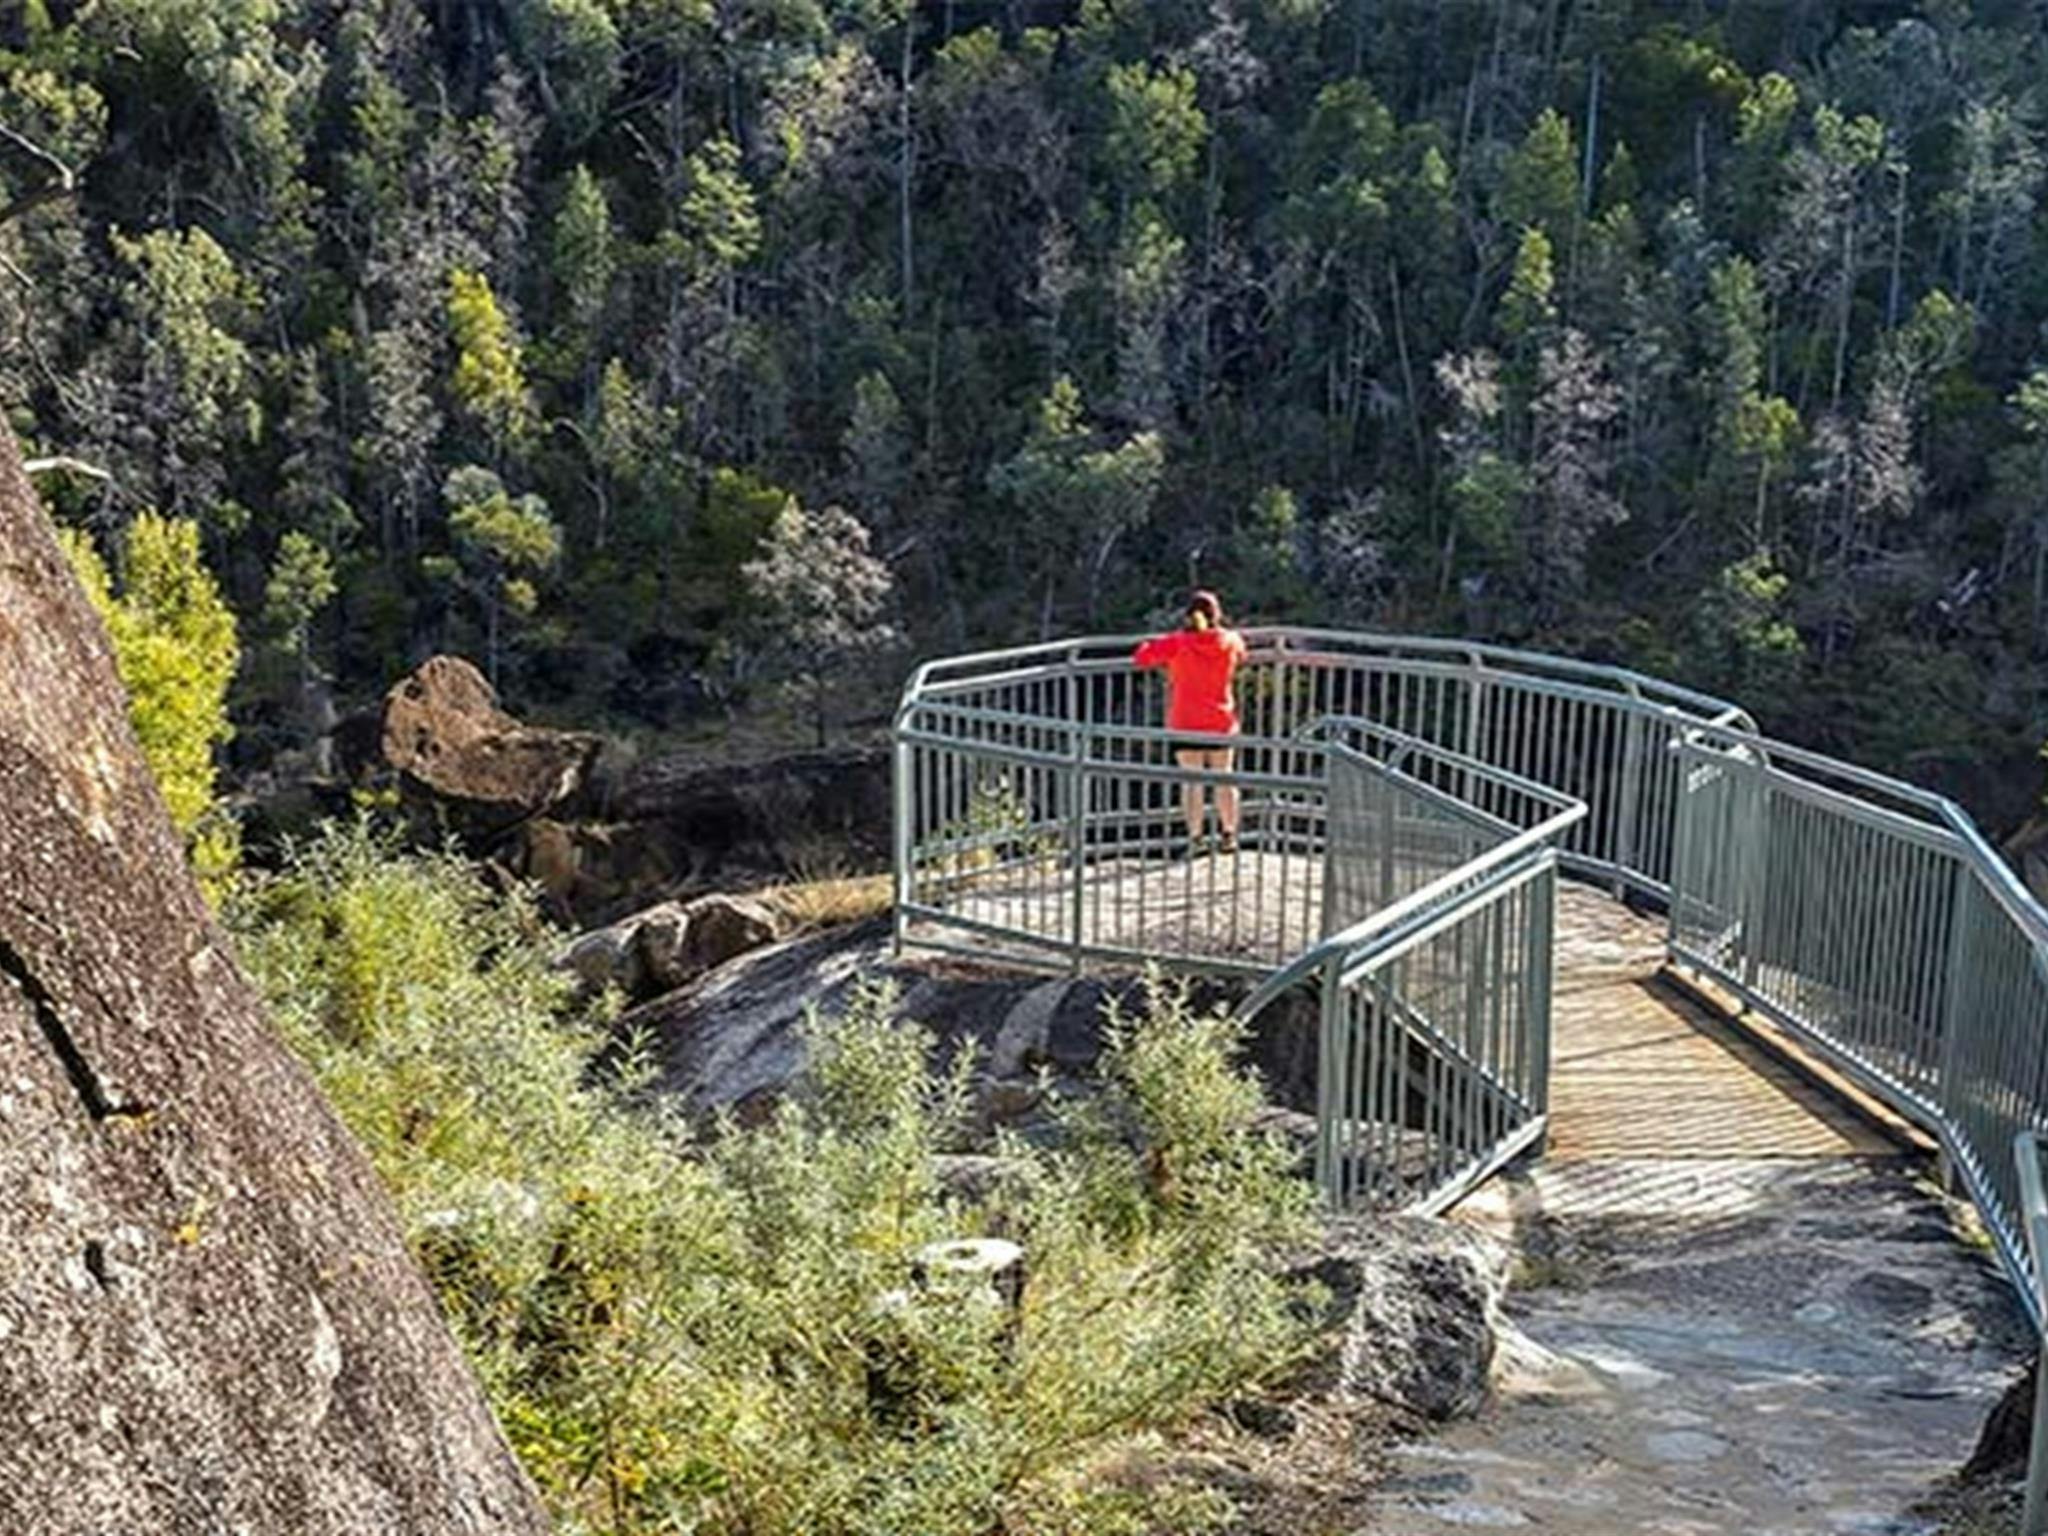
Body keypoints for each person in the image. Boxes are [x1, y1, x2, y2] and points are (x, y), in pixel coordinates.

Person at [1133, 589, 1247, 854]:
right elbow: (1242, 656)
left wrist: (1150, 642)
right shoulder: (1231, 640)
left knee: (1192, 783)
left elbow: (1142, 657)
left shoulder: (1178, 643)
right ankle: (1229, 835)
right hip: (1221, 720)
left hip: (1185, 721)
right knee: (1225, 779)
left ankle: (1196, 839)